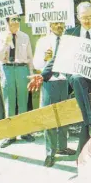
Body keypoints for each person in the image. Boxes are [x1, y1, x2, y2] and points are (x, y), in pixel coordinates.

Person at [30, 22, 76, 167]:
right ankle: (50, 152)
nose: (59, 26)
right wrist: (45, 59)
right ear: (50, 25)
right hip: (49, 83)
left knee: (64, 116)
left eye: (61, 23)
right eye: (55, 23)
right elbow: (36, 65)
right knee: (50, 117)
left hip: (64, 82)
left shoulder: (68, 40)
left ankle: (62, 146)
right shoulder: (42, 41)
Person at [0, 15, 35, 148]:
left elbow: (29, 57)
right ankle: (10, 135)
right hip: (7, 69)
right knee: (9, 102)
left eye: (18, 19)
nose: (17, 22)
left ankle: (24, 132)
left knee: (23, 101)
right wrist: (6, 42)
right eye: (13, 20)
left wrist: (31, 74)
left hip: (22, 69)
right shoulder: (0, 36)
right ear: (7, 21)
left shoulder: (25, 36)